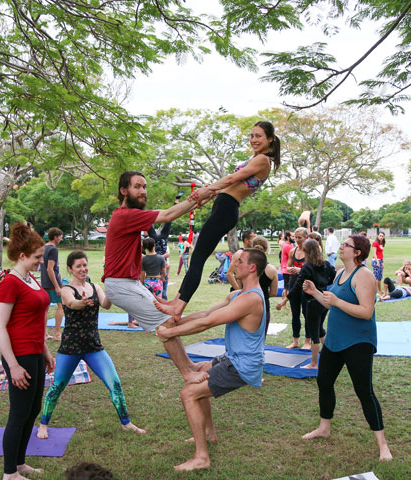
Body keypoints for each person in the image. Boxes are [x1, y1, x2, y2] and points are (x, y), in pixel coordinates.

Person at [155, 248, 268, 471]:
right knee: (196, 377)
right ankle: (208, 433)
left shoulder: (252, 299)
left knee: (188, 394)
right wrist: (177, 320)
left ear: (252, 268)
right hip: (233, 357)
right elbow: (206, 313)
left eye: (240, 261)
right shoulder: (238, 295)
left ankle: (201, 457)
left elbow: (209, 323)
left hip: (242, 365)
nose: (235, 264)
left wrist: (171, 333)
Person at [154, 121, 281, 319]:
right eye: (252, 136)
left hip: (227, 209)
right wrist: (207, 195)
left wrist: (207, 189)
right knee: (198, 257)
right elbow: (229, 185)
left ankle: (178, 306)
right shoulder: (256, 159)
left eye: (258, 136)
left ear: (270, 139)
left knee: (198, 258)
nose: (253, 140)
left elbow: (230, 180)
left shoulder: (263, 160)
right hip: (223, 206)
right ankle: (176, 301)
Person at [100, 170, 207, 384]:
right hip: (120, 285)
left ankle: (189, 366)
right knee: (165, 323)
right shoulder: (125, 215)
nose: (143, 191)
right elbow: (167, 215)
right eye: (137, 187)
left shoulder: (128, 216)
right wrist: (196, 198)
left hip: (128, 283)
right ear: (123, 191)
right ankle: (187, 374)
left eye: (144, 187)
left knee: (170, 318)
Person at [301, 234, 392, 461]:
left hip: (358, 342)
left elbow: (366, 311)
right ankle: (324, 427)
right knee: (324, 381)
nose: (341, 247)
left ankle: (383, 445)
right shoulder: (341, 272)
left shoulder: (365, 276)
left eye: (346, 245)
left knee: (364, 391)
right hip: (335, 340)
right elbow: (332, 303)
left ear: (358, 252)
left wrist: (337, 301)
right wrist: (315, 293)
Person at [37, 251, 144, 440]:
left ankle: (126, 423)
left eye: (84, 265)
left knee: (115, 384)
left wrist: (111, 291)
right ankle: (43, 424)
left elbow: (106, 305)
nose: (83, 269)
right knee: (57, 387)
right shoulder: (66, 289)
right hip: (70, 348)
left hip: (94, 347)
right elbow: (71, 303)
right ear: (70, 269)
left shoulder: (94, 286)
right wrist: (82, 302)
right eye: (78, 266)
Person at [0, 223, 55, 480]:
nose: (41, 262)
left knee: (32, 409)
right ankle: (9, 474)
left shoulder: (28, 279)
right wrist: (13, 365)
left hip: (34, 353)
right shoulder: (10, 283)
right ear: (22, 256)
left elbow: (35, 321)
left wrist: (46, 351)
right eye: (37, 258)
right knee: (19, 413)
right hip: (19, 356)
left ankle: (19, 463)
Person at [278, 239, 335, 368]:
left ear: (306, 252)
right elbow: (333, 277)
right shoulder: (326, 264)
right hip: (324, 300)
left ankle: (314, 363)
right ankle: (331, 357)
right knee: (320, 330)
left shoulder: (307, 267)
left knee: (315, 333)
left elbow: (297, 286)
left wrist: (285, 300)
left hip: (312, 302)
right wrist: (323, 284)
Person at [249, 236, 279, 335]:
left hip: (246, 303)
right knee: (261, 337)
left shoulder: (245, 267)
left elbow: (239, 287)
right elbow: (274, 293)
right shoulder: (271, 269)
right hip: (263, 303)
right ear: (266, 249)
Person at [285, 227, 308, 349]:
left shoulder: (310, 251)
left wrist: (301, 270)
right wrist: (292, 269)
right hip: (294, 284)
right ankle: (295, 341)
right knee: (295, 314)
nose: (297, 240)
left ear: (306, 238)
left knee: (306, 313)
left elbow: (314, 268)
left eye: (300, 238)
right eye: (295, 237)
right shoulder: (292, 251)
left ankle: (308, 341)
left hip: (306, 286)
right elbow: (287, 266)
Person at [41, 227, 64, 341]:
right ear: (55, 237)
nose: (61, 238)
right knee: (61, 306)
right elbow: (50, 269)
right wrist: (56, 286)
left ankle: (45, 334)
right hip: (52, 283)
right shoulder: (53, 249)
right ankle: (57, 334)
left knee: (45, 309)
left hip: (44, 283)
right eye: (60, 236)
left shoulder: (43, 248)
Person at [371, 231, 386, 296]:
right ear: (378, 236)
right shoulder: (375, 243)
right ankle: (375, 291)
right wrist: (377, 262)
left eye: (382, 236)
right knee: (376, 277)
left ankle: (380, 290)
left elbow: (381, 254)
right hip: (375, 261)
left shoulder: (381, 243)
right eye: (380, 236)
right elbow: (374, 253)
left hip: (380, 261)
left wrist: (382, 262)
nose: (381, 237)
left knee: (380, 277)